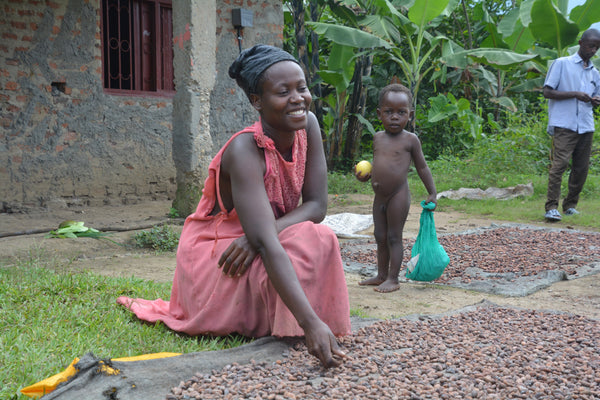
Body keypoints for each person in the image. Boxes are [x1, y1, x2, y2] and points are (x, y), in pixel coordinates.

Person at [117, 44, 351, 368]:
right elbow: (267, 243)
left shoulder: (307, 125)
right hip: (219, 253)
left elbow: (316, 206)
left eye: (302, 88)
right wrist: (311, 323)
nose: (297, 98)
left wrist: (258, 236)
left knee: (319, 236)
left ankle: (303, 322)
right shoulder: (245, 150)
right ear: (257, 101)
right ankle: (305, 325)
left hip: (252, 241)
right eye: (283, 92)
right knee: (303, 240)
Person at [354, 83, 437, 293]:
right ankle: (381, 275)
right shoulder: (378, 138)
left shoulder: (410, 140)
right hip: (379, 197)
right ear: (379, 114)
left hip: (398, 195)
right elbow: (379, 166)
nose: (394, 117)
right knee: (379, 235)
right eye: (389, 112)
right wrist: (365, 176)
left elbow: (422, 167)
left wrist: (432, 193)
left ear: (410, 115)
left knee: (393, 236)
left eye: (401, 112)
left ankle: (393, 278)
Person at [543, 28, 600, 221]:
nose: (594, 50)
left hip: (585, 124)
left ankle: (570, 205)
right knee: (560, 165)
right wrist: (575, 94)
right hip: (564, 124)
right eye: (591, 46)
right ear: (581, 42)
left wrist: (595, 100)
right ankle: (551, 207)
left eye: (597, 48)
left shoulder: (595, 72)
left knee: (581, 168)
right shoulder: (562, 64)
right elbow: (547, 92)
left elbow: (596, 95)